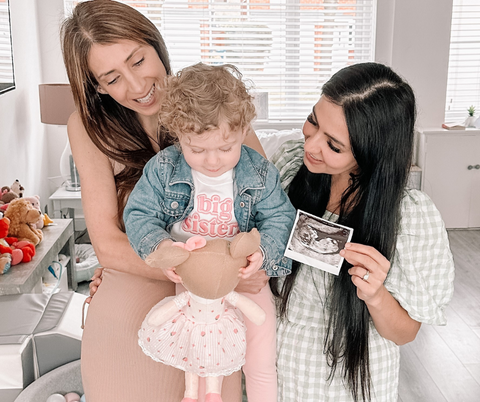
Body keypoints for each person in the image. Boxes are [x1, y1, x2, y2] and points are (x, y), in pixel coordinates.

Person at [60, 2, 268, 401]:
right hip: (132, 308)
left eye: (138, 61)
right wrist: (209, 271)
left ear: (156, 45)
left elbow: (263, 206)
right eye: (112, 78)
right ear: (97, 87)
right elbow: (107, 244)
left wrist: (248, 267)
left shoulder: (211, 100)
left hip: (212, 317)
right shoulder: (87, 128)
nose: (137, 86)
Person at [270, 62, 455, 401]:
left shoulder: (409, 217)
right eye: (313, 120)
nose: (311, 145)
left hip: (344, 381)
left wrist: (375, 294)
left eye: (334, 146)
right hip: (272, 367)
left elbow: (404, 333)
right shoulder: (290, 165)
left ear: (372, 153)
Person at [123, 62, 296, 402]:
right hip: (192, 281)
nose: (213, 161)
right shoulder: (163, 169)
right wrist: (161, 248)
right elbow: (139, 214)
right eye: (197, 150)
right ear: (179, 134)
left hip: (242, 278)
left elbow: (280, 218)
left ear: (243, 130)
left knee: (260, 359)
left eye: (225, 148)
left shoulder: (258, 172)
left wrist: (262, 256)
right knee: (196, 361)